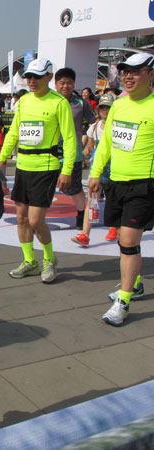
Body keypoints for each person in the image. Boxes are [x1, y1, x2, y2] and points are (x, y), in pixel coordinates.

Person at [88, 53, 154, 326]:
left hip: (144, 184)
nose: (128, 76)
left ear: (150, 75)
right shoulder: (118, 105)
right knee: (124, 241)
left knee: (128, 240)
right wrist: (95, 173)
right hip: (116, 182)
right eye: (125, 71)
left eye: (136, 72)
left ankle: (123, 301)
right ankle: (135, 284)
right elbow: (105, 144)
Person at [0, 58, 76, 283]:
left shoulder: (59, 103)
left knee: (35, 220)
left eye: (37, 77)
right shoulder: (23, 102)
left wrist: (67, 169)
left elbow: (70, 139)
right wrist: (1, 158)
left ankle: (49, 259)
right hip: (23, 166)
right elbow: (13, 132)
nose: (31, 81)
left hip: (46, 167)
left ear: (49, 77)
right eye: (29, 77)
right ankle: (29, 261)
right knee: (21, 217)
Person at [72, 92, 118, 247]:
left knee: (114, 199)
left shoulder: (119, 127)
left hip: (115, 167)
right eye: (103, 107)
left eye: (109, 107)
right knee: (92, 200)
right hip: (97, 167)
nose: (105, 110)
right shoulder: (94, 127)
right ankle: (85, 234)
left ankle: (113, 227)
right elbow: (90, 146)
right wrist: (80, 154)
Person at [54, 68, 97, 229]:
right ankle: (38, 220)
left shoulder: (81, 103)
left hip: (73, 155)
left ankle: (80, 217)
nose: (65, 86)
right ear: (55, 83)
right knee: (44, 188)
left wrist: (90, 144)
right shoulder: (48, 101)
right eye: (62, 83)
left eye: (69, 83)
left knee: (75, 188)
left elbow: (94, 122)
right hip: (48, 154)